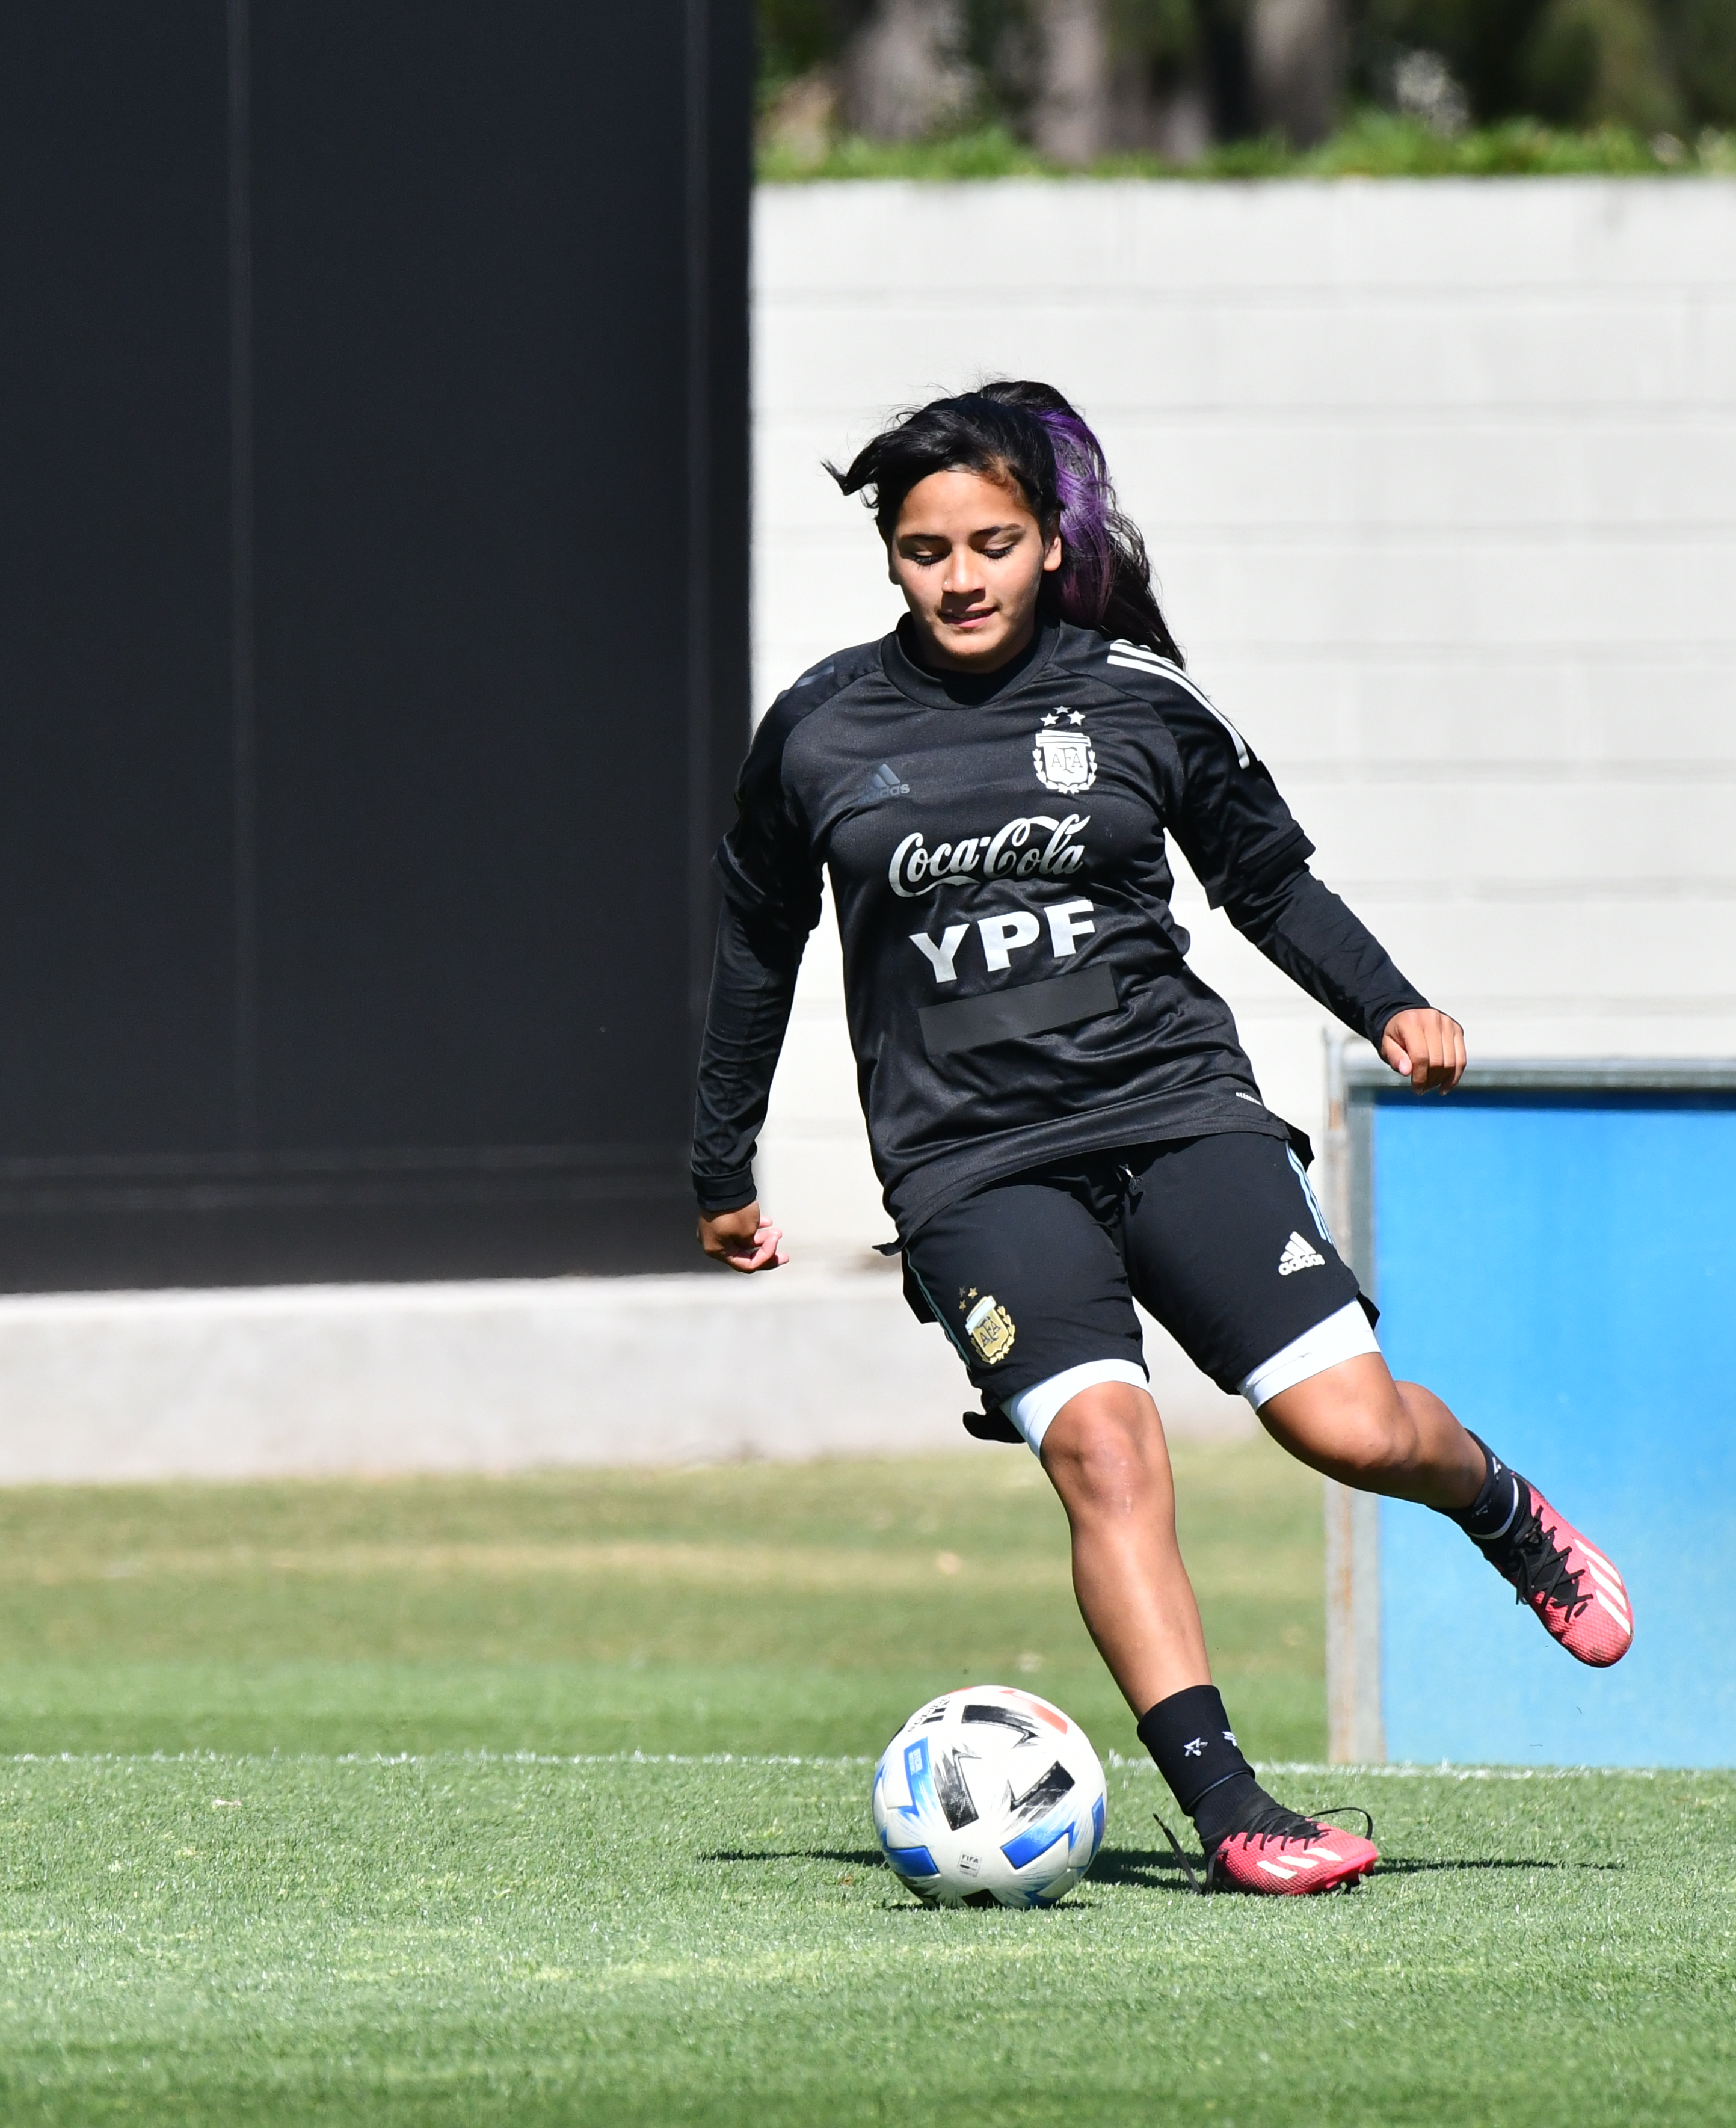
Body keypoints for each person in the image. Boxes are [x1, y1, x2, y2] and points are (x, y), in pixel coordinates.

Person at [692, 383, 1630, 1897]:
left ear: (1050, 540)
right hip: (972, 1166)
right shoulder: (818, 728)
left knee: (1349, 1428)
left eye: (995, 540)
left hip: (1177, 1110)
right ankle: (1234, 1806)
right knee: (1106, 1451)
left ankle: (1503, 1509)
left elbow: (1268, 882)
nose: (965, 575)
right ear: (890, 556)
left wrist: (1391, 1003)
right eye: (930, 548)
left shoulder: (1137, 698)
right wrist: (718, 1167)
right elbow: (755, 950)